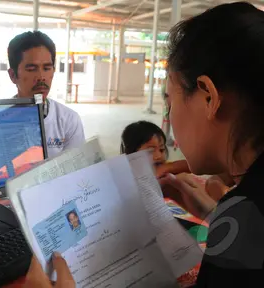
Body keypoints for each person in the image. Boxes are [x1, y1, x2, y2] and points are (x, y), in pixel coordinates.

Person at [24, 2, 264, 287]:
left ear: (208, 97)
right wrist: (217, 217)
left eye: (169, 99)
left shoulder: (248, 216)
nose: (168, 114)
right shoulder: (244, 210)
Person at [7, 31, 85, 157]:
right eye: (32, 69)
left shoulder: (69, 120)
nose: (41, 77)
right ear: (13, 75)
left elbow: (76, 170)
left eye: (47, 68)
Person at [120, 121, 190, 178]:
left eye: (161, 150)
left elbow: (189, 166)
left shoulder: (162, 167)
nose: (159, 156)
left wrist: (167, 167)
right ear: (130, 154)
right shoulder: (127, 176)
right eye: (150, 152)